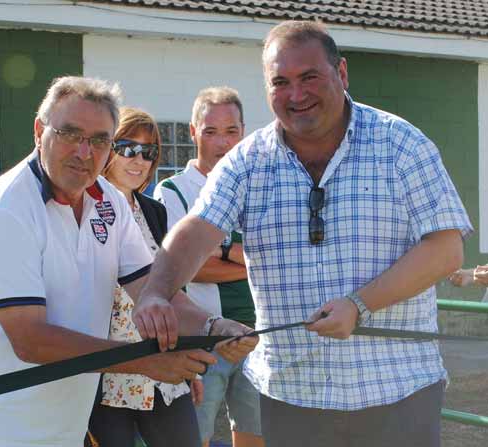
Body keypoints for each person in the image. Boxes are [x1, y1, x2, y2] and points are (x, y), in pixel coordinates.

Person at [134, 21, 473, 447]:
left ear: (342, 73)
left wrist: (359, 305)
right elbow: (196, 230)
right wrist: (155, 292)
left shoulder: (401, 144)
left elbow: (446, 250)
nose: (296, 95)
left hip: (397, 392)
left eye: (309, 77)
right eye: (280, 82)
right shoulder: (247, 162)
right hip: (292, 397)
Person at [0, 76, 257, 447]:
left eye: (99, 140)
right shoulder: (5, 210)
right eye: (70, 133)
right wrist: (147, 363)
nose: (84, 151)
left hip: (60, 424)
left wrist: (215, 326)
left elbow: (150, 288)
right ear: (39, 131)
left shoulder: (109, 202)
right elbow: (30, 340)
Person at [154, 87, 263, 447]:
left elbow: (271, 257)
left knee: (253, 436)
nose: (223, 142)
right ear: (193, 132)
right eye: (211, 131)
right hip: (202, 337)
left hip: (255, 337)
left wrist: (224, 253)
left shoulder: (256, 188)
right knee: (194, 437)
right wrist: (249, 259)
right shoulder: (173, 191)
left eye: (231, 131)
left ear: (243, 131)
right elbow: (186, 268)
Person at [87, 107, 202, 447]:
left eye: (149, 152)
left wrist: (185, 360)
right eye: (128, 148)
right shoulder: (82, 207)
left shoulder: (154, 210)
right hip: (107, 375)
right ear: (108, 148)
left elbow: (169, 289)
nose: (139, 159)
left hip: (164, 371)